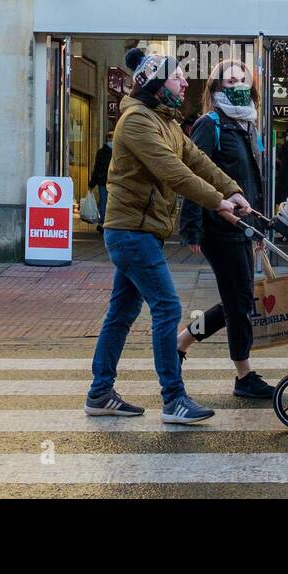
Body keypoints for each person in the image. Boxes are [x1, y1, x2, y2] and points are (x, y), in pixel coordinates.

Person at [86, 47, 251, 425]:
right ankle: (173, 398)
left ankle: (99, 392)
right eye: (177, 76)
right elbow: (174, 172)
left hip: (142, 231)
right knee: (167, 307)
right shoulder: (136, 122)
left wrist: (232, 190)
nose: (184, 82)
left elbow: (197, 160)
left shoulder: (167, 121)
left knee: (122, 312)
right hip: (130, 232)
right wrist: (218, 203)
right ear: (158, 85)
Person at [177, 58, 273, 400]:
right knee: (240, 303)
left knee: (237, 300)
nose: (235, 85)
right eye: (227, 80)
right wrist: (191, 228)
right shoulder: (210, 123)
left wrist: (260, 228)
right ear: (216, 89)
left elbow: (253, 182)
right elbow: (193, 176)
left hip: (244, 226)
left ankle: (182, 342)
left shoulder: (248, 126)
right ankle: (244, 375)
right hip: (220, 226)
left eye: (240, 79)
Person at [87, 136, 113, 233]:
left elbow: (97, 169)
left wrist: (92, 183)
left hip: (102, 181)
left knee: (103, 201)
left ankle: (103, 222)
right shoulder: (118, 152)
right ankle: (111, 223)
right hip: (114, 182)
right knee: (113, 202)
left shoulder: (101, 152)